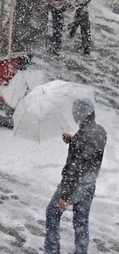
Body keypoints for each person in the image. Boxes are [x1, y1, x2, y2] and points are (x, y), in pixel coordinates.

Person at [44, 100, 107, 254]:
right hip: (90, 185)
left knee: (52, 213)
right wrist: (73, 141)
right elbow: (90, 153)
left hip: (75, 185)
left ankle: (51, 251)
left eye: (75, 112)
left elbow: (73, 169)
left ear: (79, 114)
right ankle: (81, 251)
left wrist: (65, 196)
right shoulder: (100, 131)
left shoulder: (82, 137)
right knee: (81, 221)